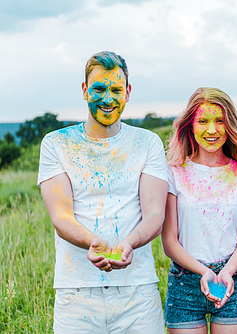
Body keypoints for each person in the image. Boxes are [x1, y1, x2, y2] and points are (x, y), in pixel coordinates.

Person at [38, 51, 168, 333]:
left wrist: (129, 243)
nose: (108, 98)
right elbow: (60, 215)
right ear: (85, 90)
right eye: (98, 88)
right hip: (76, 293)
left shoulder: (148, 143)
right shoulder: (56, 144)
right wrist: (92, 242)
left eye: (116, 89)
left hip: (138, 292)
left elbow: (155, 213)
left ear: (128, 92)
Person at [161, 87, 237, 333]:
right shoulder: (173, 172)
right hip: (185, 281)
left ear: (230, 126)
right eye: (203, 121)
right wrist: (204, 271)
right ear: (190, 125)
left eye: (220, 121)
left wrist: (226, 272)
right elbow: (170, 241)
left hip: (232, 278)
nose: (212, 130)